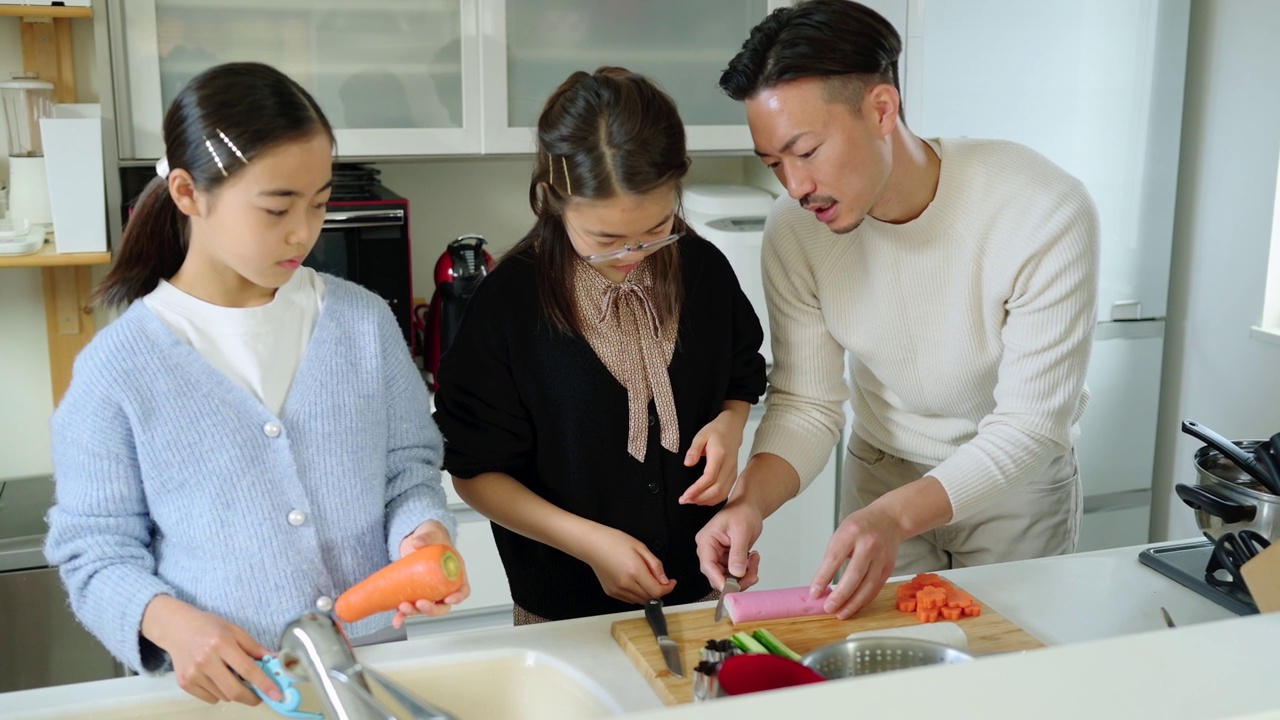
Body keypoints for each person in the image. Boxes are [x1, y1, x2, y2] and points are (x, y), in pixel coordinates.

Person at [43, 62, 465, 707]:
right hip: (229, 692)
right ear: (188, 193)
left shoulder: (361, 323)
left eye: (321, 203)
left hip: (376, 676)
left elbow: (408, 471)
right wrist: (168, 622)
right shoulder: (118, 368)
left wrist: (422, 534)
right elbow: (93, 553)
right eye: (276, 208)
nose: (303, 232)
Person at [696, 0, 1100, 619]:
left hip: (1013, 487)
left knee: (1007, 678)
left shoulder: (1040, 207)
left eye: (806, 150)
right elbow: (807, 403)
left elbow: (1031, 423)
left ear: (881, 109)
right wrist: (749, 503)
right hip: (882, 472)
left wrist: (892, 516)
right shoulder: (795, 231)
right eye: (774, 164)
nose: (795, 186)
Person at [432, 67, 767, 624]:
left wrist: (730, 425)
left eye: (657, 227)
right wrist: (589, 544)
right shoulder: (509, 304)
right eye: (606, 239)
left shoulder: (703, 269)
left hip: (704, 596)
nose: (634, 252)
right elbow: (475, 471)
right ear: (552, 197)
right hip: (560, 614)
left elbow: (740, 375)